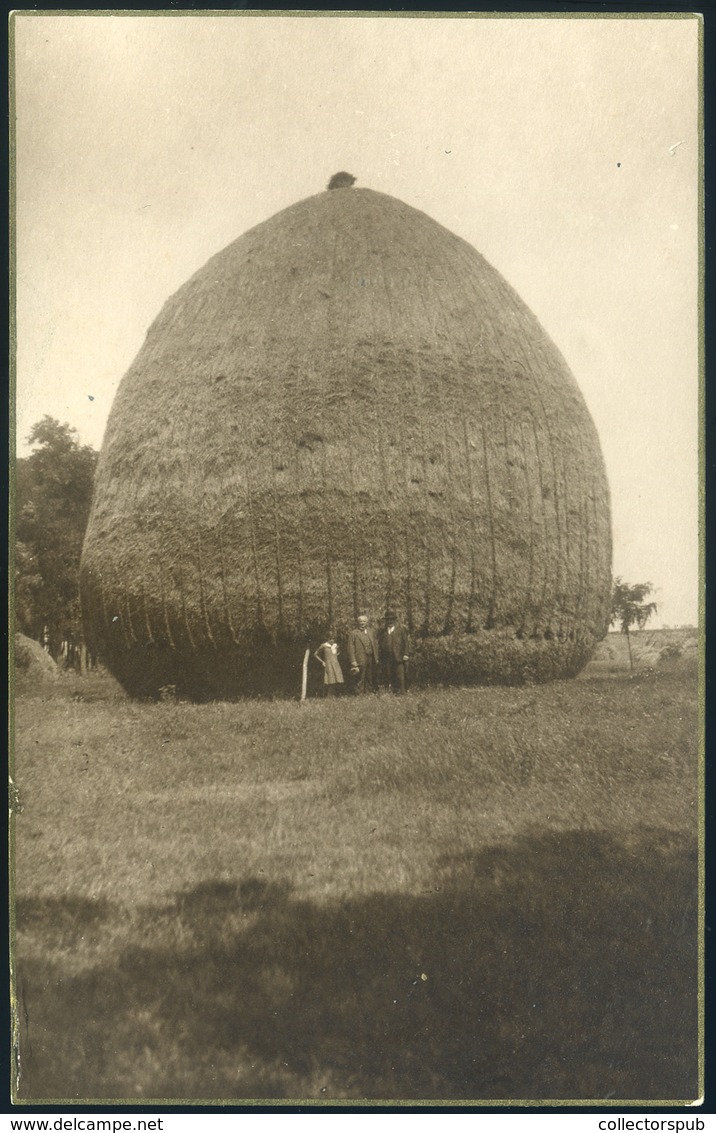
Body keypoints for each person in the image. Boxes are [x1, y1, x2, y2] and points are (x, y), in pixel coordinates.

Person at [379, 609, 410, 694]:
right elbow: (380, 644)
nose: (390, 621)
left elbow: (406, 642)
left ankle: (401, 692)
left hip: (398, 657)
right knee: (388, 675)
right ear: (386, 621)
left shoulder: (401, 630)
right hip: (387, 657)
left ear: (395, 620)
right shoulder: (383, 631)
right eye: (388, 620)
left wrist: (406, 654)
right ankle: (391, 691)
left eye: (391, 619)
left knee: (400, 676)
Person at [347, 614, 380, 694]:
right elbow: (350, 648)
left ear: (367, 622)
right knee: (360, 677)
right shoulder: (354, 633)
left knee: (370, 676)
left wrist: (376, 657)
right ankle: (359, 694)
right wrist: (353, 661)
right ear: (358, 622)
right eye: (360, 621)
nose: (362, 623)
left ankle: (369, 693)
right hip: (360, 658)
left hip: (371, 657)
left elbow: (375, 645)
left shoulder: (371, 632)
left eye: (364, 621)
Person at [314, 629, 345, 697]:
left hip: (336, 664)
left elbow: (339, 652)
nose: (332, 640)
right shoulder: (324, 645)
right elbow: (316, 654)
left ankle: (337, 695)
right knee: (330, 680)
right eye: (330, 638)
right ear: (327, 638)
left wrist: (335, 656)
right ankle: (329, 695)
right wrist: (322, 662)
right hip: (328, 664)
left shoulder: (336, 646)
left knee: (338, 679)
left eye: (333, 639)